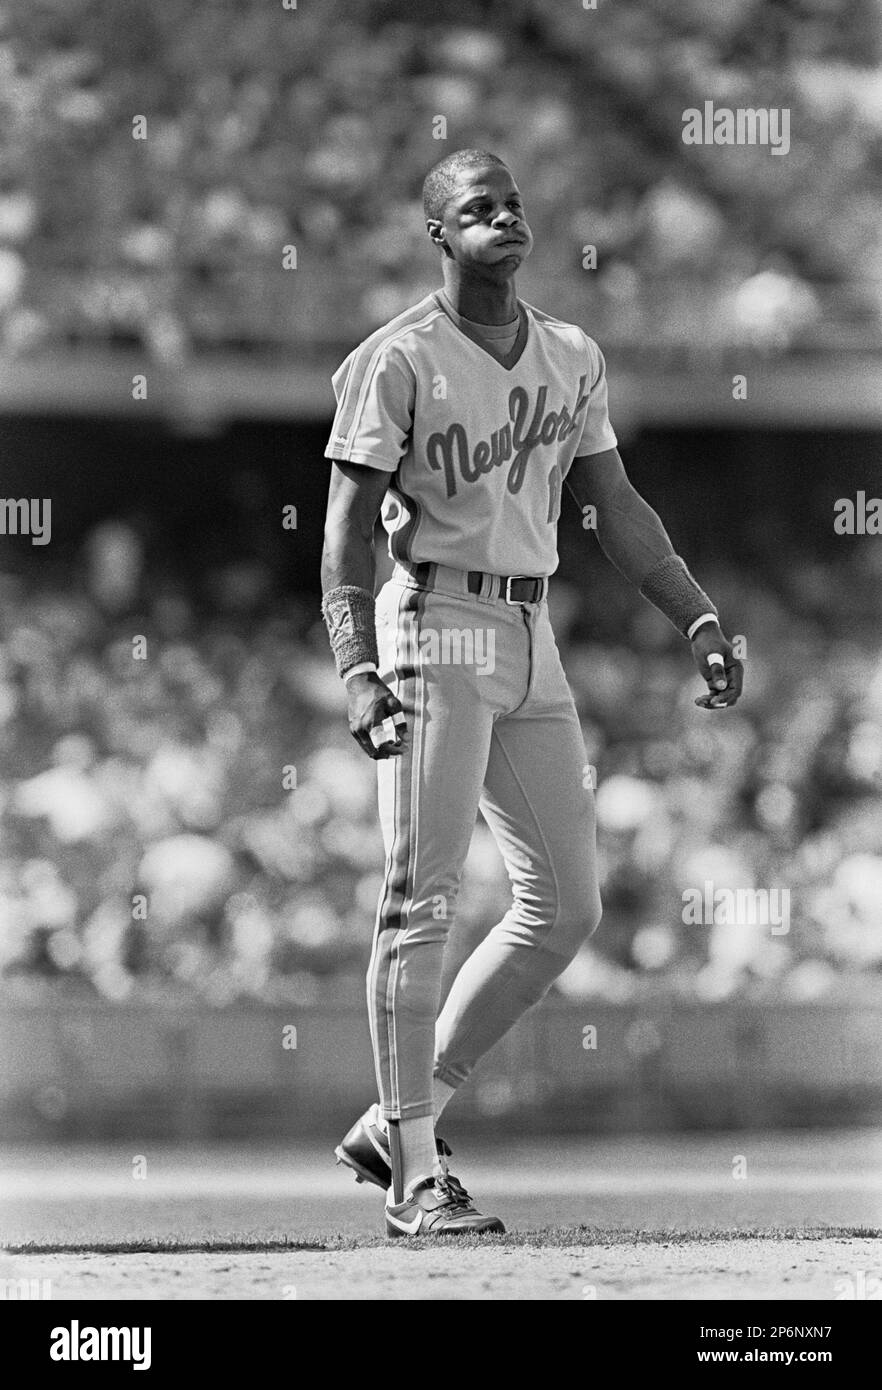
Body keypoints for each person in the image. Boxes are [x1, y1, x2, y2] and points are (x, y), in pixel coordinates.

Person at [320, 149, 744, 1237]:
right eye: (476, 209)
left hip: (529, 624)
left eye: (512, 205)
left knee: (566, 906)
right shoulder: (397, 357)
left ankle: (399, 1120)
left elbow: (616, 503)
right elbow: (346, 531)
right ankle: (416, 1181)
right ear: (438, 235)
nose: (503, 219)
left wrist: (696, 612)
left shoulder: (571, 354)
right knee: (422, 895)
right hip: (436, 620)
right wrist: (357, 663)